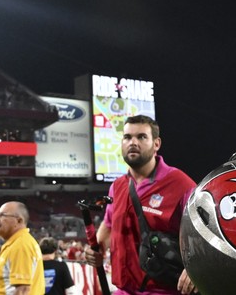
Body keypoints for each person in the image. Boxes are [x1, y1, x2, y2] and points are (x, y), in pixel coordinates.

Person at [84, 115, 198, 295]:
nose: (133, 142)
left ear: (156, 144)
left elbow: (208, 233)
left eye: (141, 137)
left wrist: (197, 269)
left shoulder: (181, 184)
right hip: (123, 291)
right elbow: (109, 224)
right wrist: (95, 248)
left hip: (164, 291)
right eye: (127, 137)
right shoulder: (117, 186)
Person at [0, 201, 45, 295]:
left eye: (2, 215)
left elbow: (23, 290)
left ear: (19, 220)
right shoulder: (18, 242)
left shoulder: (21, 245)